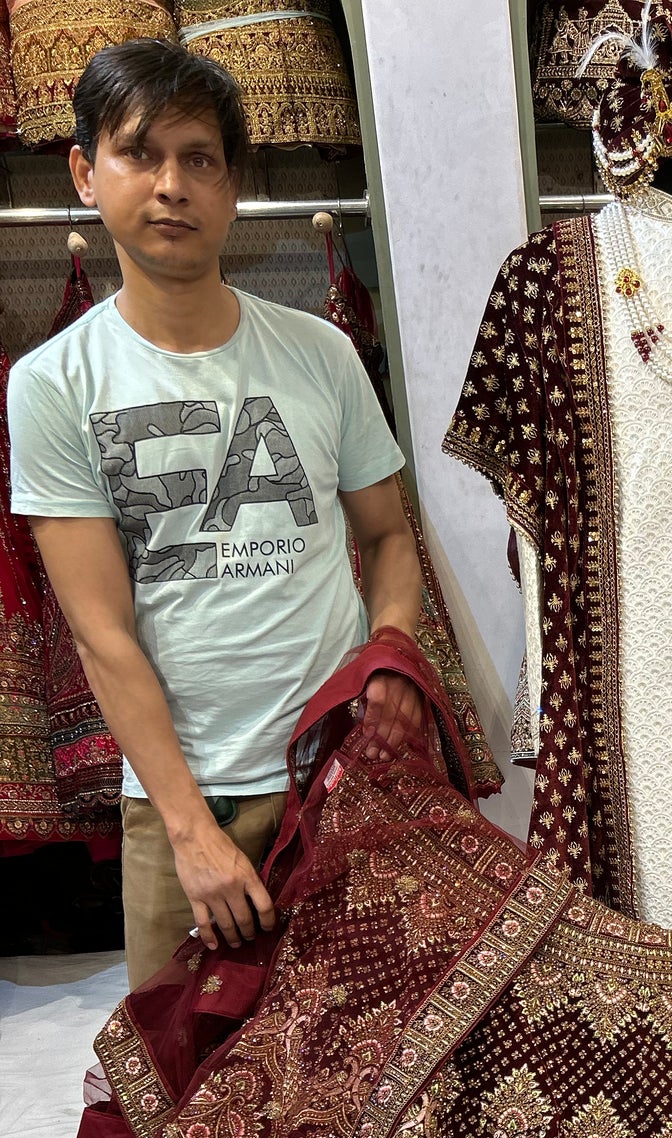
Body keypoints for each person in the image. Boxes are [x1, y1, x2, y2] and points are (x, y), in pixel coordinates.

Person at [8, 39, 425, 987]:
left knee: (370, 1080)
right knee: (188, 1101)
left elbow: (389, 534)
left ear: (234, 185)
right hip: (179, 804)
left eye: (200, 159)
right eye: (139, 153)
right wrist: (191, 832)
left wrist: (389, 651)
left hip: (340, 777)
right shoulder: (55, 383)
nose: (171, 185)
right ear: (84, 171)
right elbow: (100, 631)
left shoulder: (320, 354)